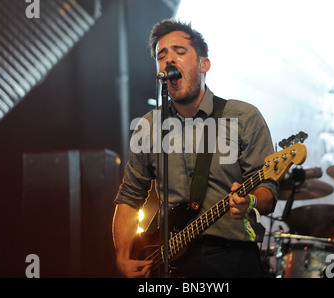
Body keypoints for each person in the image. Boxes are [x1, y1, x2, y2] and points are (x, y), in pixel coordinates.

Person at [112, 19, 278, 278]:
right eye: (161, 55)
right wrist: (122, 257)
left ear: (204, 64)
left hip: (232, 259)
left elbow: (268, 189)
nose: (168, 60)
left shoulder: (243, 117)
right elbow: (129, 197)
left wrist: (251, 200)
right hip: (170, 264)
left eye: (179, 51)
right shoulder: (149, 126)